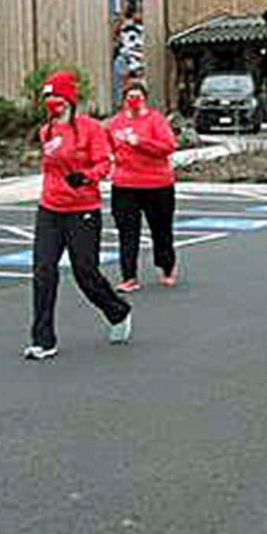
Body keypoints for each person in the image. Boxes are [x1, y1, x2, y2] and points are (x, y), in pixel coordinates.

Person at [26, 71, 132, 360]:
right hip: (50, 208)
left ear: (70, 99)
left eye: (57, 96)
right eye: (48, 97)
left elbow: (105, 164)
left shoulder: (91, 129)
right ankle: (43, 340)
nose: (52, 102)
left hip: (82, 210)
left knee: (85, 273)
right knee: (43, 272)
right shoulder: (46, 131)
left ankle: (117, 310)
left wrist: (85, 177)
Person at [105, 77, 179, 293]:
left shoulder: (156, 120)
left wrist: (141, 142)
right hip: (125, 185)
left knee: (161, 230)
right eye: (130, 96)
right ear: (124, 99)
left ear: (145, 99)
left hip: (157, 184)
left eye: (138, 96)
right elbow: (107, 147)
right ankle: (129, 276)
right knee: (127, 232)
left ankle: (167, 266)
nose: (134, 100)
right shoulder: (115, 123)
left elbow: (168, 146)